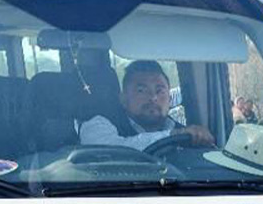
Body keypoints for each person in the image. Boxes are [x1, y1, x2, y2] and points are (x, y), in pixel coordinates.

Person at [79, 60, 213, 149]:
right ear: (123, 99)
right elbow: (113, 151)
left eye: (159, 90)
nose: (153, 98)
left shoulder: (188, 136)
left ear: (170, 99)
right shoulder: (97, 124)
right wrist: (172, 136)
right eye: (141, 90)